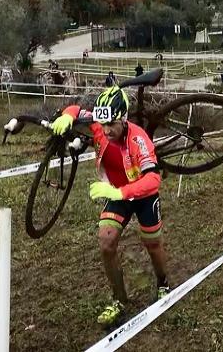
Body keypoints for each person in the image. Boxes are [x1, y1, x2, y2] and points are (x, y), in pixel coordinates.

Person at [49, 86, 171, 326]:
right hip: (117, 194)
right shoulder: (100, 123)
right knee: (106, 242)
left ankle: (163, 283)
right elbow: (77, 110)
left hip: (143, 196)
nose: (106, 130)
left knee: (153, 244)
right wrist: (67, 116)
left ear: (124, 118)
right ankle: (119, 300)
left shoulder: (138, 139)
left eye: (112, 124)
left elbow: (153, 179)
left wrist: (119, 192)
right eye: (103, 124)